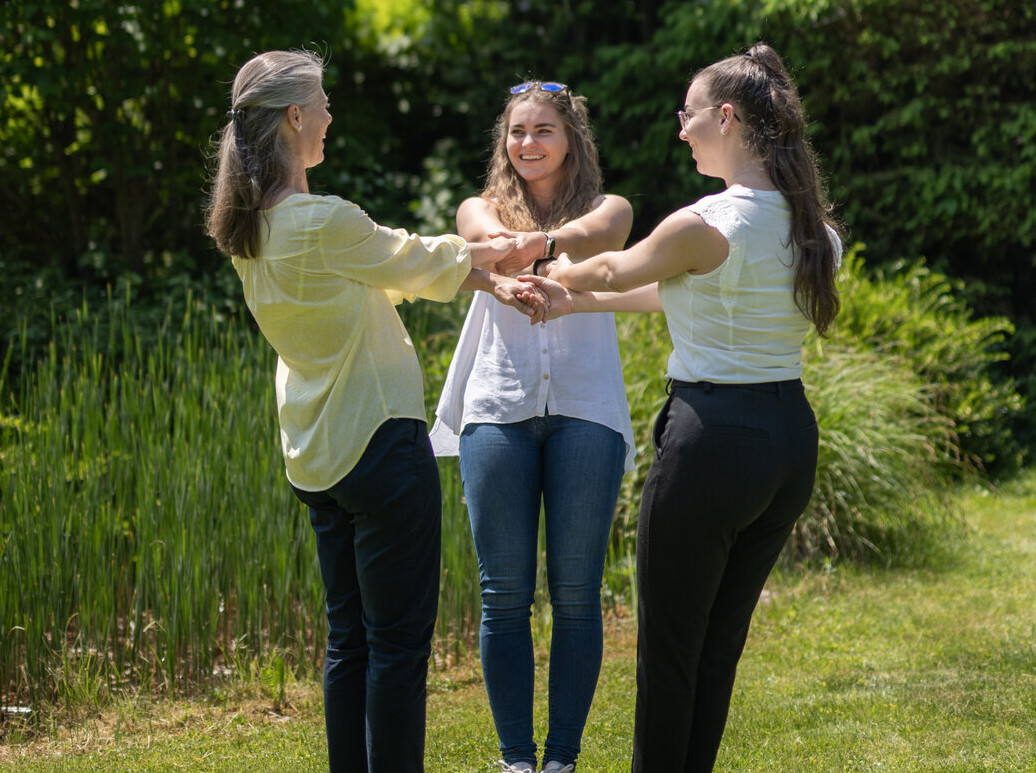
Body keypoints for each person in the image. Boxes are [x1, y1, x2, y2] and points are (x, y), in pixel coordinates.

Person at [203, 50, 545, 773]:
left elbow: (377, 278)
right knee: (396, 645)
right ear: (295, 117)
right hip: (379, 448)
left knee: (348, 640)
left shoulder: (250, 230)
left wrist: (485, 273)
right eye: (322, 103)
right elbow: (411, 256)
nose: (330, 116)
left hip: (319, 455)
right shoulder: (322, 220)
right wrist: (500, 262)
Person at [521, 43, 843, 772]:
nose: (681, 128)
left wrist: (545, 256)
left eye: (688, 114)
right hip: (787, 443)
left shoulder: (706, 222)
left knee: (668, 650)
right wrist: (579, 302)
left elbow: (617, 262)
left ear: (726, 116)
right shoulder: (815, 230)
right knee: (716, 649)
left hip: (711, 446)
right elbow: (677, 290)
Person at [429, 80, 636, 773]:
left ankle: (562, 759)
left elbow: (604, 233)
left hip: (586, 409)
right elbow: (481, 238)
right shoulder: (479, 206)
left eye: (543, 130)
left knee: (577, 592)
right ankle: (517, 759)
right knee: (504, 592)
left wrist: (542, 242)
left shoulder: (608, 208)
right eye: (517, 131)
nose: (527, 143)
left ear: (572, 138)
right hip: (498, 408)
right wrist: (507, 264)